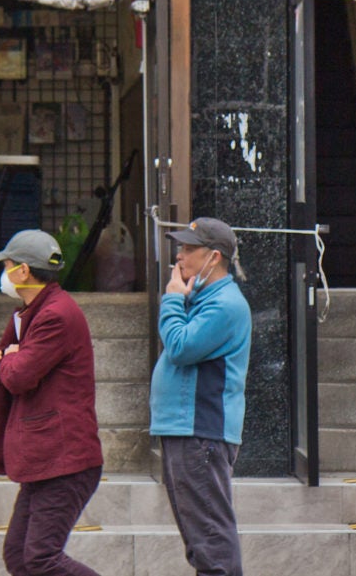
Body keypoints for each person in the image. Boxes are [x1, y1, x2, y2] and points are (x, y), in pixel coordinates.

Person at [0, 229, 105, 576]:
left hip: (65, 460)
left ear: (23, 271)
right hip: (45, 458)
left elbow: (19, 375)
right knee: (19, 556)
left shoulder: (56, 315)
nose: (3, 272)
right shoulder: (30, 311)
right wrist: (6, 358)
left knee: (41, 558)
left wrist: (7, 359)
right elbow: (8, 362)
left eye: (6, 265)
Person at [150, 217, 252, 576]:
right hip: (185, 430)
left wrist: (173, 299)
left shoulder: (225, 304)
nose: (179, 255)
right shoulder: (203, 296)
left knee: (211, 544)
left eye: (189, 249)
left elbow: (179, 346)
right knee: (201, 543)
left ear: (215, 257)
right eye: (181, 247)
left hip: (201, 432)